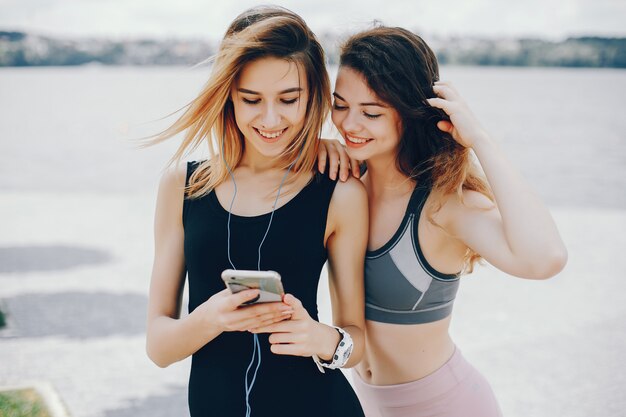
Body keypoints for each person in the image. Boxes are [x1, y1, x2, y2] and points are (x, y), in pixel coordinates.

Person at [321, 26, 568, 417]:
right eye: (340, 105)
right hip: (369, 404)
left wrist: (480, 140)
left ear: (411, 111)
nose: (349, 124)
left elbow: (545, 259)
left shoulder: (442, 203)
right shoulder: (342, 184)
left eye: (371, 112)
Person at [145, 6, 368, 417]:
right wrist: (210, 319)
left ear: (313, 96)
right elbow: (158, 348)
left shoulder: (340, 192)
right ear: (228, 95)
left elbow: (357, 344)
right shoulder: (183, 185)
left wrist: (317, 337)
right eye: (251, 100)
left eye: (289, 99)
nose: (270, 119)